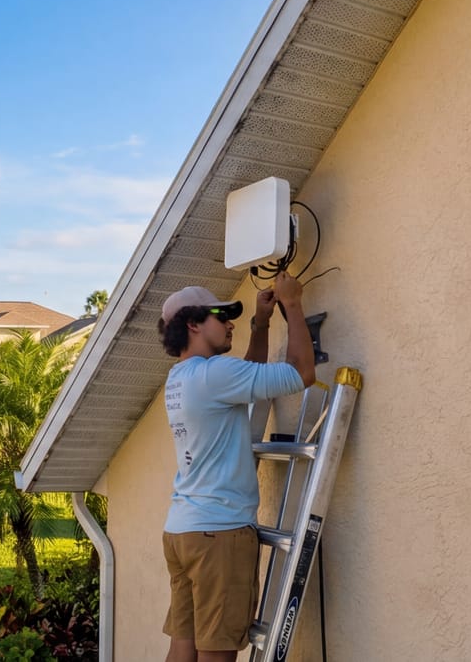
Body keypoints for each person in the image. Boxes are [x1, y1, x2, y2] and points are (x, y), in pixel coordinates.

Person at [156, 273, 317, 662]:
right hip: (219, 535)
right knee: (216, 653)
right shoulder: (213, 375)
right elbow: (301, 374)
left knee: (183, 646)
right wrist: (292, 304)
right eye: (220, 315)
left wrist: (260, 325)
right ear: (193, 324)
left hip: (183, 531)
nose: (229, 322)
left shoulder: (181, 378)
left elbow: (245, 379)